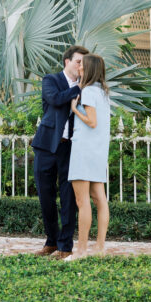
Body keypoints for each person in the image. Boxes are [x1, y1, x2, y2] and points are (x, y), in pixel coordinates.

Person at [30, 44, 89, 259]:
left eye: (84, 62)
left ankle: (65, 246)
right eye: (78, 62)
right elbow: (55, 99)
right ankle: (51, 241)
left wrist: (84, 87)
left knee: (68, 198)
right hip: (46, 146)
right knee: (46, 197)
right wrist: (78, 88)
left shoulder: (87, 87)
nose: (81, 66)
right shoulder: (51, 80)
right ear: (67, 62)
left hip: (70, 148)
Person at [66, 52, 111, 259]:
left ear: (90, 69)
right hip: (98, 151)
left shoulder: (89, 92)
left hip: (84, 150)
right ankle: (99, 247)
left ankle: (82, 250)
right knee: (99, 199)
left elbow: (92, 122)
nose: (80, 67)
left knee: (82, 201)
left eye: (83, 65)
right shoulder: (102, 92)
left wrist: (75, 109)